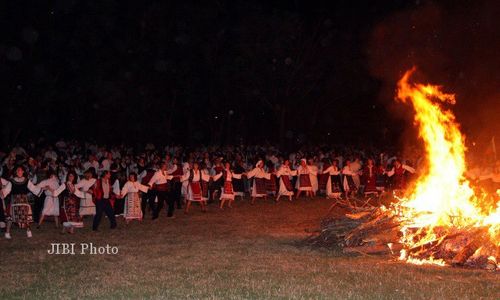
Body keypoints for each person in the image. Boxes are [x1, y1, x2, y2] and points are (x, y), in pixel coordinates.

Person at [4, 166, 42, 239]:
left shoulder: (26, 181)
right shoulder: (11, 181)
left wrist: (40, 190)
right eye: (18, 170)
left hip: (24, 201)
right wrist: (3, 193)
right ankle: (7, 233)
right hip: (14, 201)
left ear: (23, 172)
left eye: (20, 170)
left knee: (26, 216)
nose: (19, 172)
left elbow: (33, 188)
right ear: (16, 172)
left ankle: (28, 231)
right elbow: (6, 190)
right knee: (11, 217)